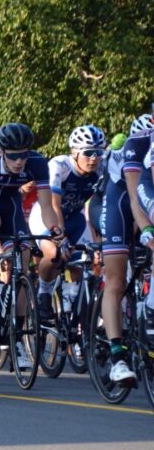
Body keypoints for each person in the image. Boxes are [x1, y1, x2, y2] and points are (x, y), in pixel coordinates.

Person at [0, 123, 62, 369]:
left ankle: (17, 339)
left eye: (24, 154)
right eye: (13, 156)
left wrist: (55, 230)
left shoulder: (38, 162)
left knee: (21, 263)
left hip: (11, 207)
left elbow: (46, 207)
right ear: (1, 152)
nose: (20, 161)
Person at [30, 126, 105, 321]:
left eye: (98, 152)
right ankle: (44, 292)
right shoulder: (60, 165)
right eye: (88, 153)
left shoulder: (102, 168)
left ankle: (77, 303)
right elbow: (54, 205)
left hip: (75, 218)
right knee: (55, 253)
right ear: (74, 152)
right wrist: (60, 236)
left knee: (92, 261)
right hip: (46, 216)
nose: (94, 158)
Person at [101, 114, 154, 382]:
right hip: (122, 199)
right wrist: (146, 230)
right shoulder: (137, 144)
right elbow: (136, 198)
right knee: (117, 280)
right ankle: (117, 358)